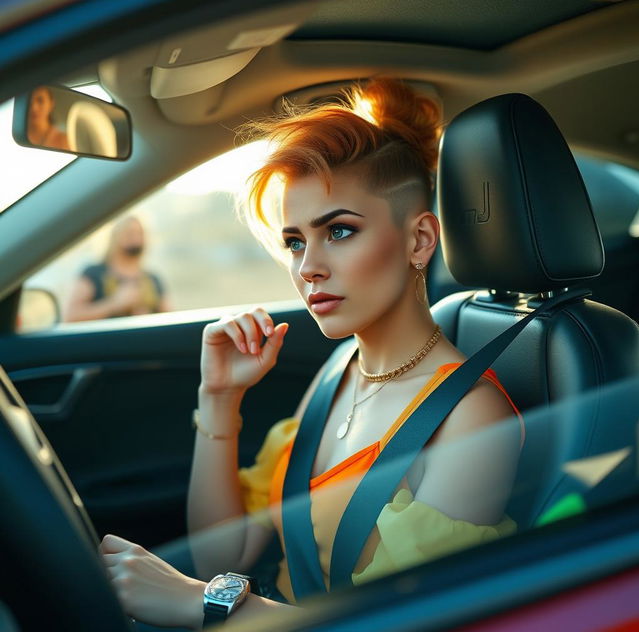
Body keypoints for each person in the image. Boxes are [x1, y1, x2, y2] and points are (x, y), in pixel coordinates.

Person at [99, 78, 525, 628]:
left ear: (419, 240)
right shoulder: (335, 375)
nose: (308, 268)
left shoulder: (470, 417)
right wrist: (220, 400)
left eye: (340, 231)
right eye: (295, 241)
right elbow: (223, 558)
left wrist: (198, 601)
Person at [64, 215, 169, 321]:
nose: (136, 238)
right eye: (130, 233)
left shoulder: (152, 279)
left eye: (140, 233)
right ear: (115, 236)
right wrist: (114, 304)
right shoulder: (94, 273)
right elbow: (71, 316)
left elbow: (169, 318)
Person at [27, 86, 70, 151]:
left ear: (51, 104)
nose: (34, 108)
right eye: (28, 102)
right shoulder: (15, 137)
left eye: (40, 100)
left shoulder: (65, 141)